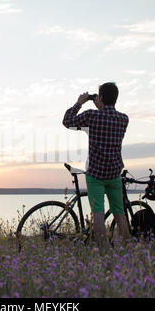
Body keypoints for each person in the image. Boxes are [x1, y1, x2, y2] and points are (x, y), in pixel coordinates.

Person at [62, 82, 131, 248]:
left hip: (95, 174)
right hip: (114, 173)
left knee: (98, 211)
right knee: (119, 212)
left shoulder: (91, 116)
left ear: (100, 97)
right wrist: (100, 105)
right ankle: (129, 248)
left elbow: (67, 121)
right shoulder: (123, 119)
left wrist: (80, 102)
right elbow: (107, 120)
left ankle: (103, 249)